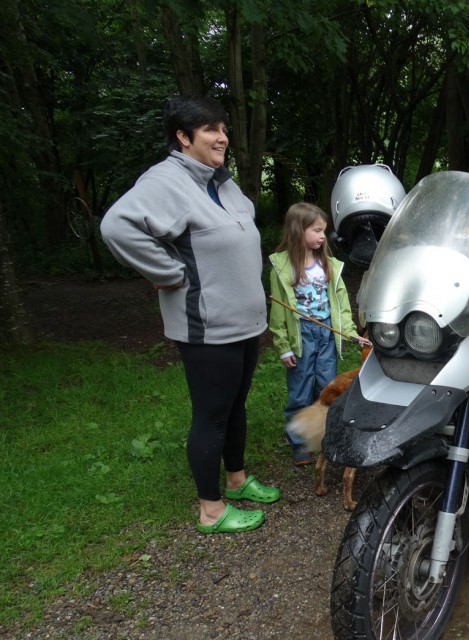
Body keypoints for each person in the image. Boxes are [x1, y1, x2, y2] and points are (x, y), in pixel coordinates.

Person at [100, 95, 280, 535]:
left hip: (244, 323)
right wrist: (167, 272)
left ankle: (236, 480)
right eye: (210, 131)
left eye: (223, 129)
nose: (222, 138)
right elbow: (116, 225)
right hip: (207, 326)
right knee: (212, 414)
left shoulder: (221, 182)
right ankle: (211, 510)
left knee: (236, 406)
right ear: (183, 137)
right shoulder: (166, 182)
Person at [268, 202, 364, 465]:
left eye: (324, 231)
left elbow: (341, 304)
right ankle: (298, 442)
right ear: (299, 231)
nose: (323, 236)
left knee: (327, 387)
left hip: (325, 336)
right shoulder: (282, 267)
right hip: (301, 336)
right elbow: (277, 311)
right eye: (317, 230)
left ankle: (323, 436)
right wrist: (283, 345)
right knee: (299, 391)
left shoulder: (329, 265)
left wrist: (350, 332)